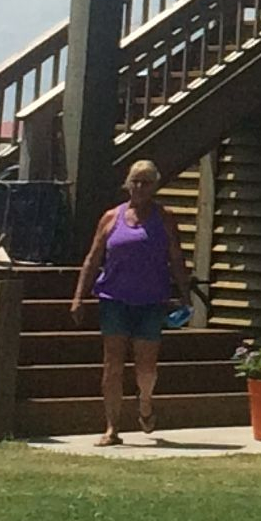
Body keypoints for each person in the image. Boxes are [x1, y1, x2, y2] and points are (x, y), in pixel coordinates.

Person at [74, 158, 203, 446]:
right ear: (128, 185)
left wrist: (184, 295)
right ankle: (112, 427)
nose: (140, 187)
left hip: (151, 301)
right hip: (114, 298)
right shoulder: (111, 218)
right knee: (113, 365)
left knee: (145, 367)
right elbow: (93, 259)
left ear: (155, 186)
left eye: (146, 182)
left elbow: (177, 259)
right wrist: (79, 296)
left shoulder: (165, 218)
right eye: (136, 181)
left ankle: (145, 403)